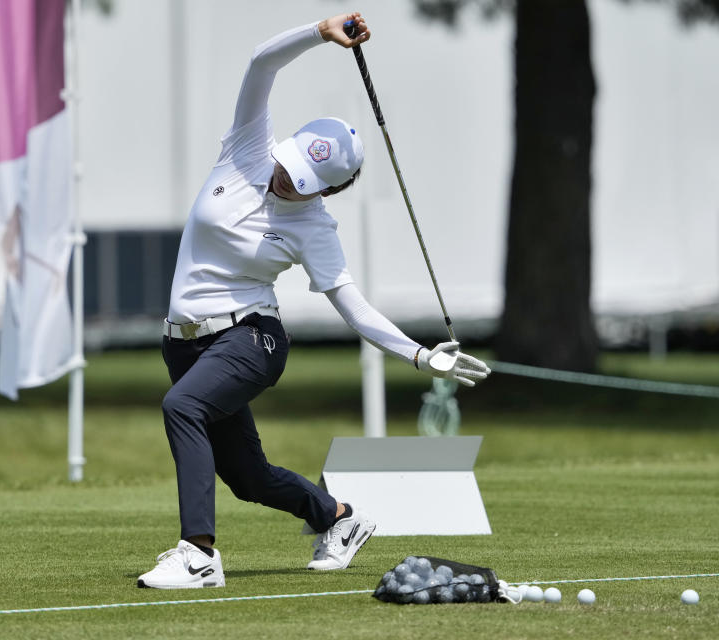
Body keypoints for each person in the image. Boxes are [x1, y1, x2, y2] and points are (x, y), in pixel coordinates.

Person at [138, 12, 490, 590]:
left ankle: (199, 556)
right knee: (247, 478)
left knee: (183, 408)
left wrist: (422, 357)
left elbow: (354, 308)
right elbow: (261, 63)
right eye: (289, 168)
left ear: (328, 189)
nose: (285, 182)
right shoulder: (247, 148)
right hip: (181, 340)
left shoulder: (316, 230)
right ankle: (339, 519)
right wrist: (319, 32)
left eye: (303, 183)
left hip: (251, 337)